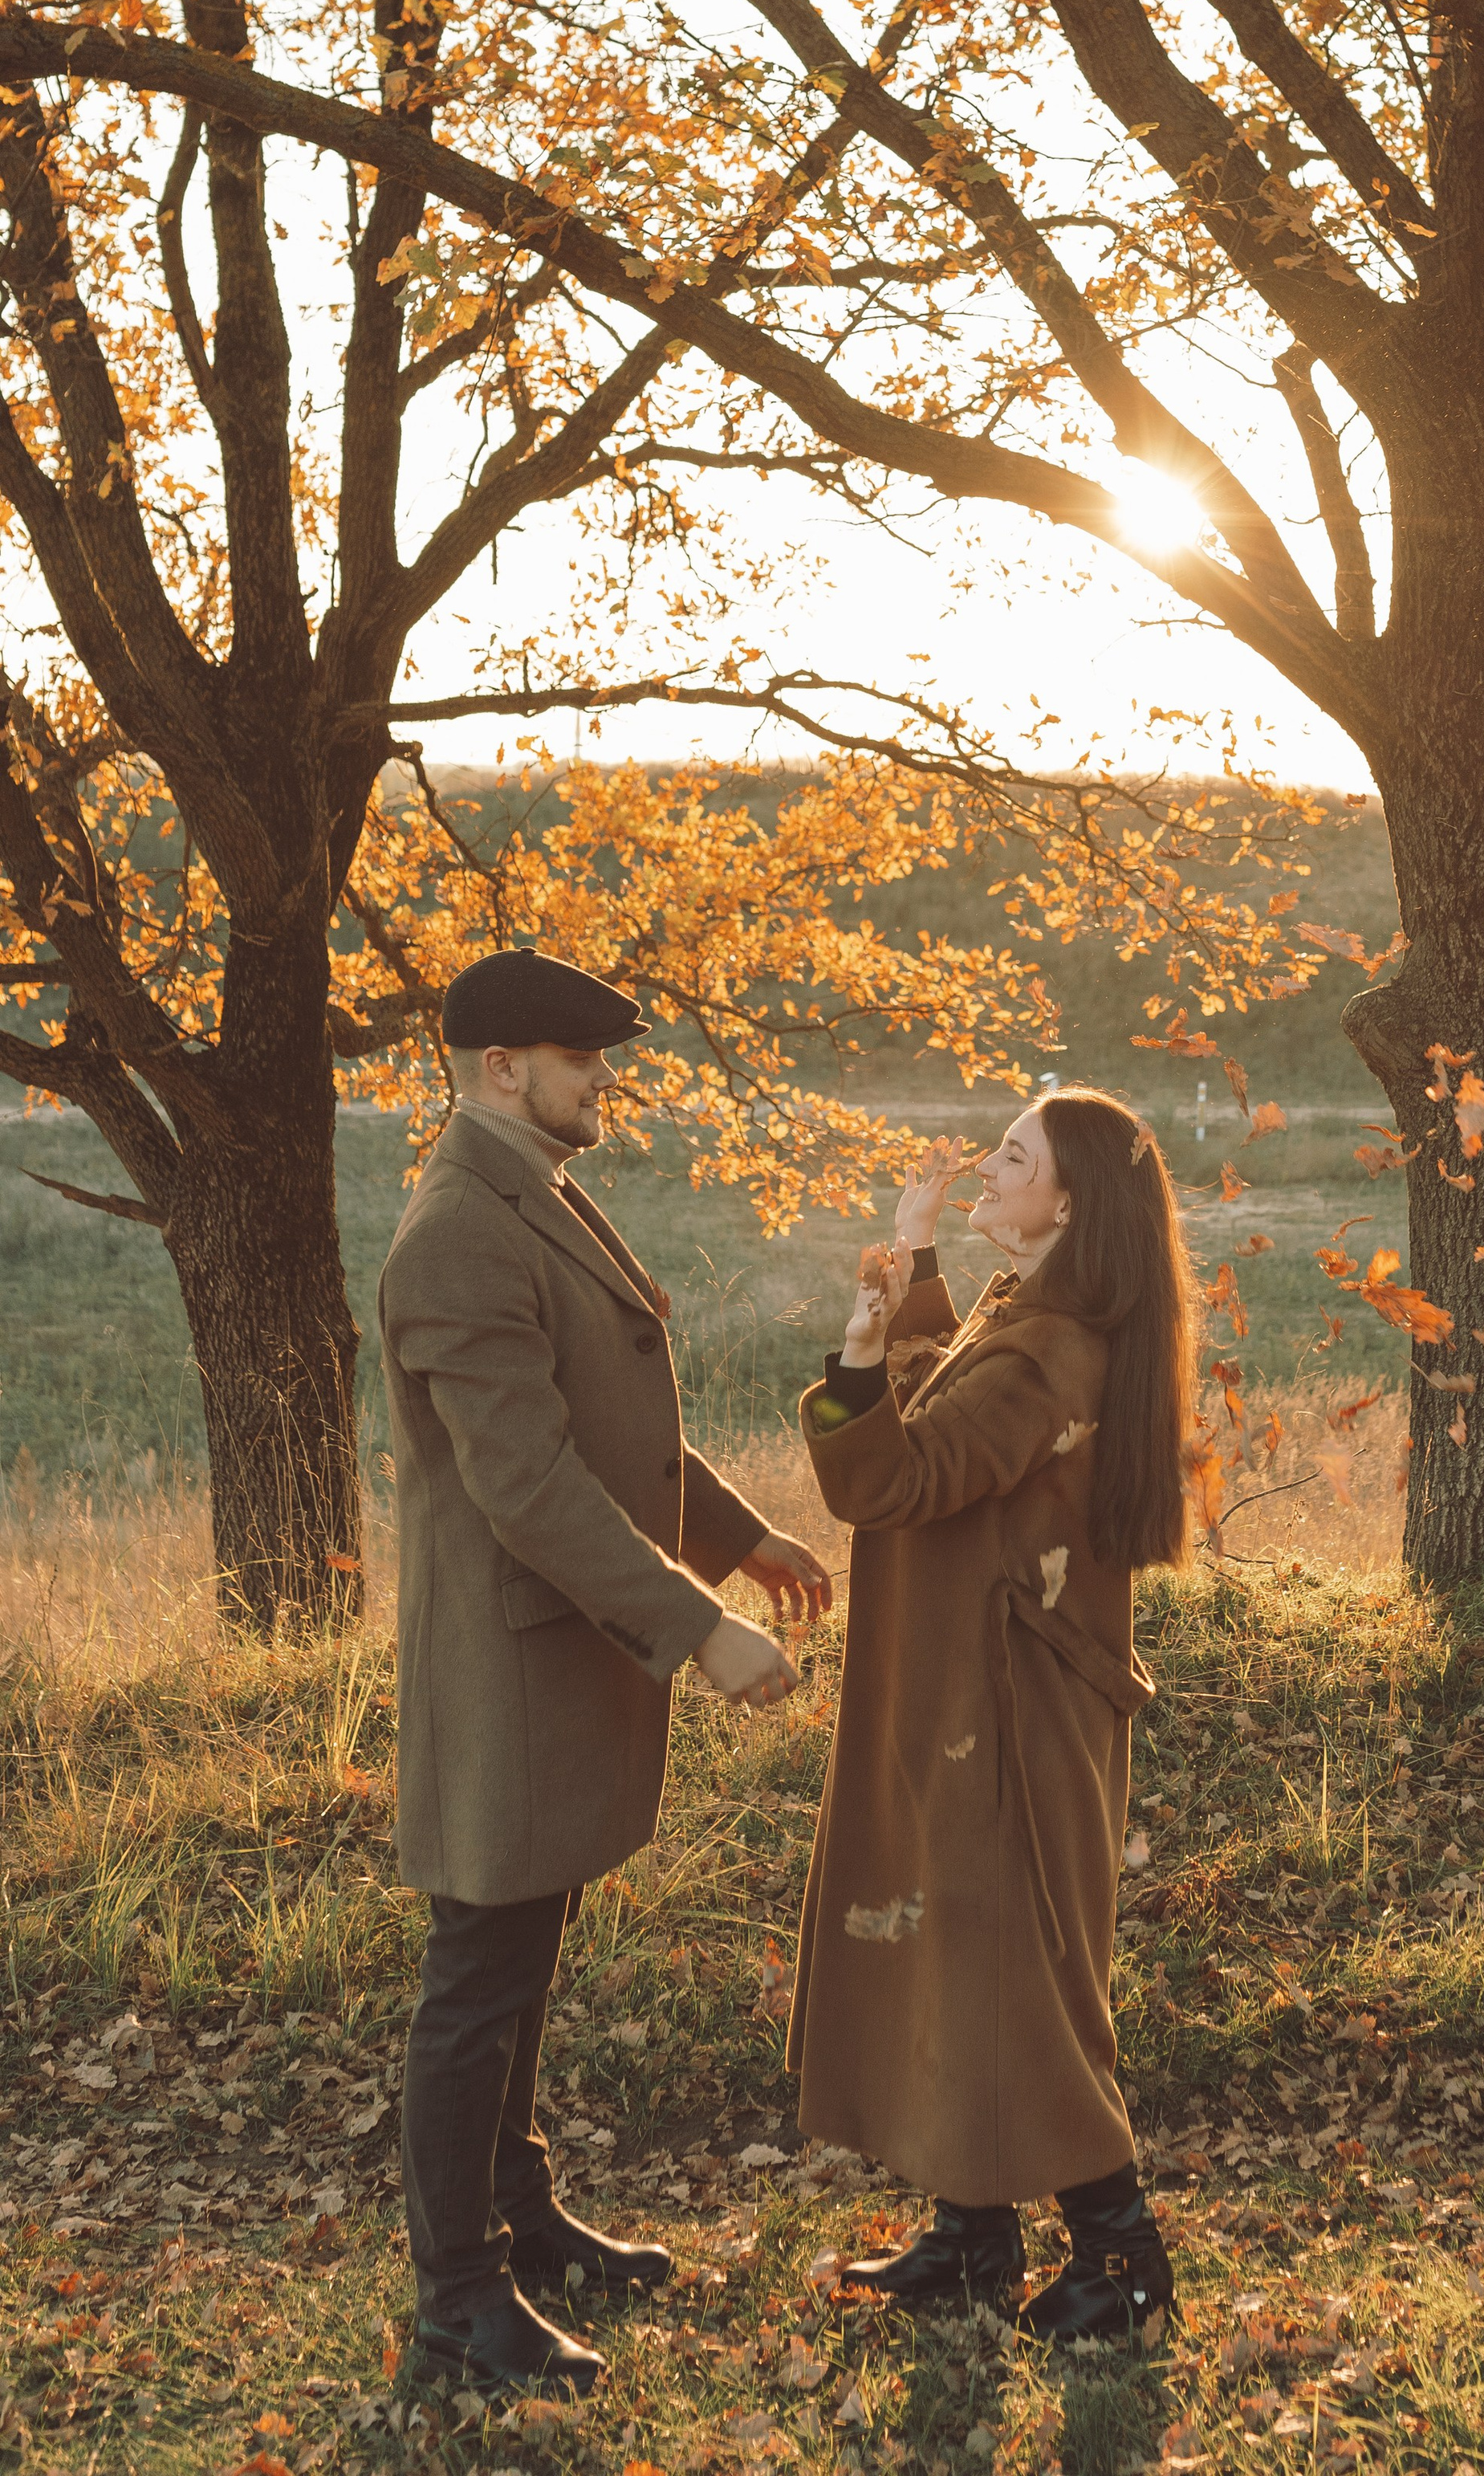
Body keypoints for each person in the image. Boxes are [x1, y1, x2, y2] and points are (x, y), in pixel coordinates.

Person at [381, 947, 830, 2399]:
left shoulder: (536, 1191)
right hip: (511, 1675)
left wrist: (743, 1533)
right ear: (502, 1069)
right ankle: (458, 2301)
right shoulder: (458, 1229)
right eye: (583, 1063)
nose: (606, 1084)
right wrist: (699, 1623)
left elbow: (612, 1432)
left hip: (560, 1663)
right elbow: (529, 1485)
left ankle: (524, 2217)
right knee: (479, 1978)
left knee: (525, 1958)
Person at [786, 1087, 1192, 2343]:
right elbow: (968, 1406)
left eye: (1013, 1155)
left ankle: (1123, 2259)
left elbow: (906, 1474)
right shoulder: (1045, 1320)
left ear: (1065, 1201)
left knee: (1022, 1973)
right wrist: (913, 1270)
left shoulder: (1051, 1348)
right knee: (972, 1950)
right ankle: (973, 2233)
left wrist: (857, 1355)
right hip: (992, 1687)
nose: (989, 1163)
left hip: (1005, 1710)